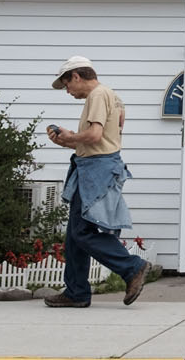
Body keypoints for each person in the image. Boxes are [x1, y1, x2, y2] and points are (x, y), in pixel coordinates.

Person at [43, 56, 150, 309]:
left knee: (83, 232)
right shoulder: (112, 96)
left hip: (96, 169)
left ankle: (132, 267)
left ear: (77, 76)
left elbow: (94, 135)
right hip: (96, 165)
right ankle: (77, 291)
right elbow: (102, 138)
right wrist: (65, 140)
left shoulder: (98, 95)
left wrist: (72, 135)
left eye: (67, 84)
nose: (68, 91)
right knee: (74, 235)